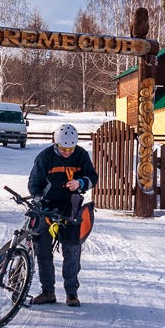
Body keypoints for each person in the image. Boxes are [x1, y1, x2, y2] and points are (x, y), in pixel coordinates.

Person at [28, 123, 98, 307]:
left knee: (72, 250)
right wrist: (38, 198)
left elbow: (93, 176)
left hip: (70, 208)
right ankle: (48, 292)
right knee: (43, 251)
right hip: (46, 208)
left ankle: (72, 293)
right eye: (63, 148)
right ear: (56, 144)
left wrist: (81, 183)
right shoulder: (45, 157)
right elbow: (34, 183)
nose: (67, 152)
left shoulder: (81, 155)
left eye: (70, 148)